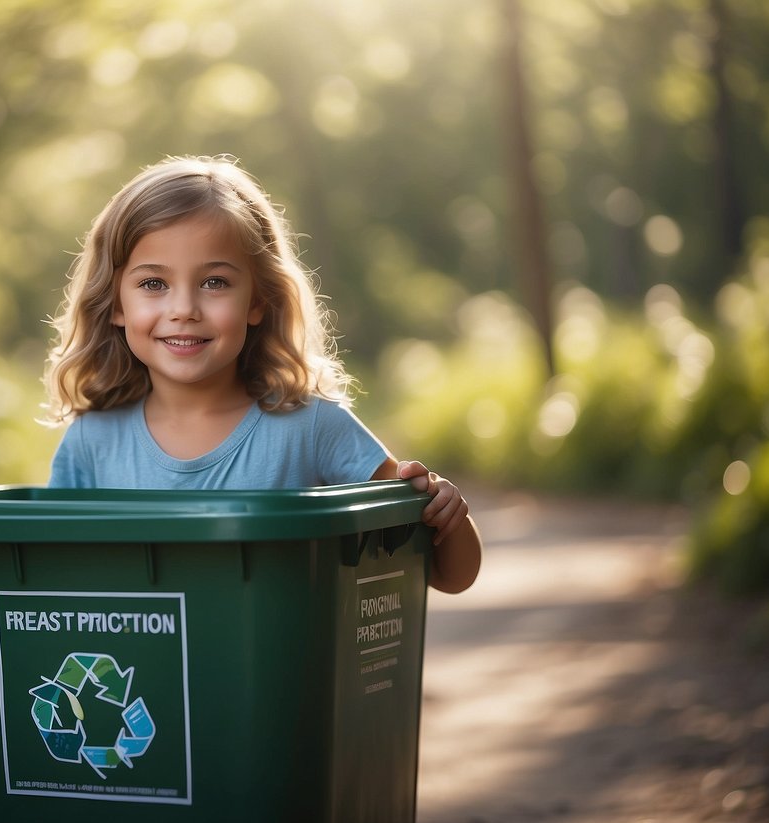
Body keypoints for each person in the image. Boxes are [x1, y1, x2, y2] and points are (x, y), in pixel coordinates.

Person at [42, 155, 481, 594]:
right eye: (154, 284)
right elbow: (55, 588)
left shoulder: (312, 427)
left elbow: (447, 577)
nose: (183, 310)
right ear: (117, 304)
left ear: (258, 301)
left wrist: (445, 513)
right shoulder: (91, 443)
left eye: (214, 282)